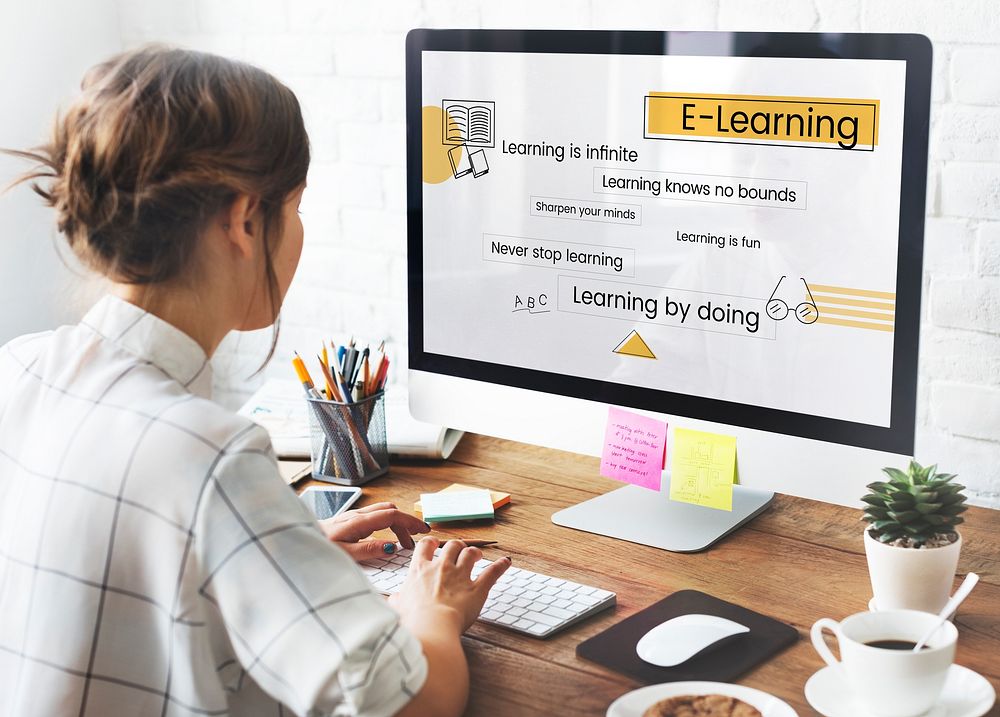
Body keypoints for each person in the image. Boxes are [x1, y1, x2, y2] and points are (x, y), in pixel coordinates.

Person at [0, 45, 508, 717]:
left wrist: (274, 549)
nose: (296, 232)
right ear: (243, 221)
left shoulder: (18, 368)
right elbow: (414, 701)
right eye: (294, 208)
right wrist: (430, 609)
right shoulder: (210, 454)